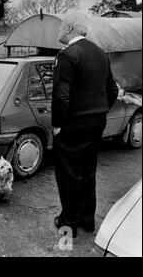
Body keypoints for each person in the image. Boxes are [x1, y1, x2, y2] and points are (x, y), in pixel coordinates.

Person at [52, 12, 119, 238]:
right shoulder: (100, 53)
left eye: (61, 26)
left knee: (69, 174)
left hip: (73, 125)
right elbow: (113, 90)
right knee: (88, 171)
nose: (58, 30)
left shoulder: (68, 55)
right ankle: (87, 220)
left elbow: (61, 97)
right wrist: (99, 111)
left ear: (70, 28)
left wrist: (58, 124)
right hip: (96, 123)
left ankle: (68, 223)